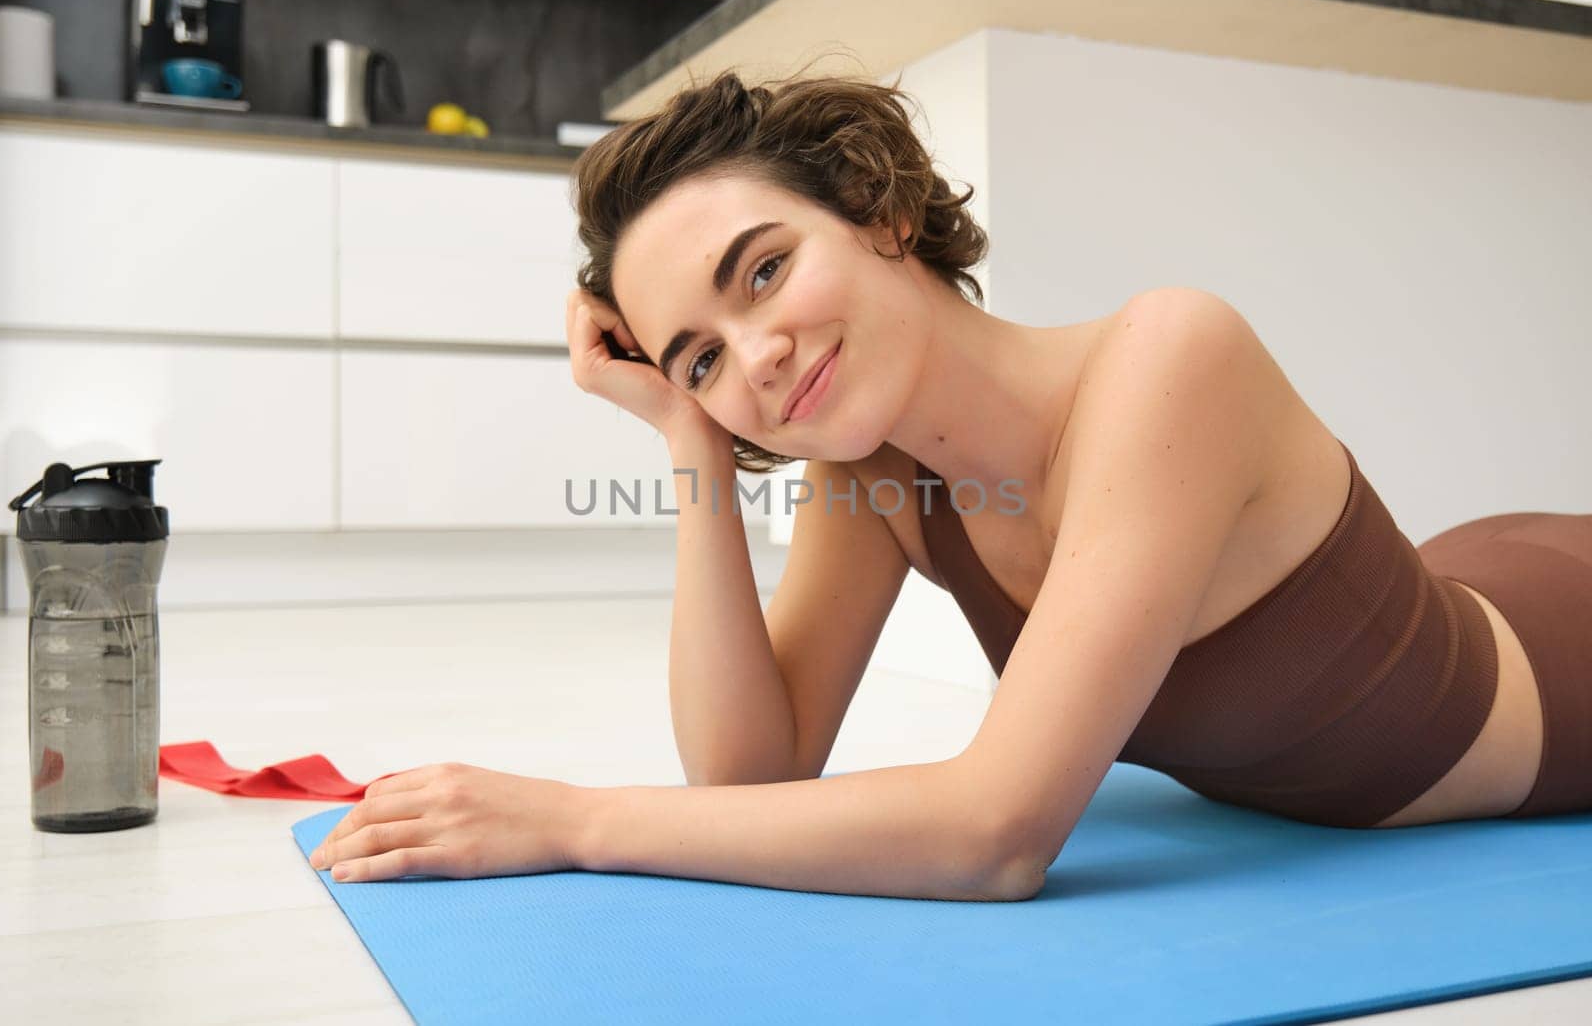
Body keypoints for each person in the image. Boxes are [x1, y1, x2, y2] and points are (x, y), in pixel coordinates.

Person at [565, 64, 1592, 841]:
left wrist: (578, 824)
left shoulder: (1173, 356)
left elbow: (994, 831)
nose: (757, 356)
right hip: (1466, 562)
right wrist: (686, 431)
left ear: (878, 208)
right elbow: (753, 775)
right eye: (700, 358)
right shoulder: (874, 478)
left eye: (764, 272)